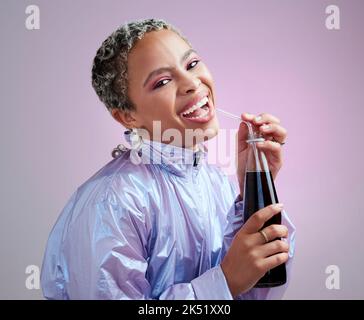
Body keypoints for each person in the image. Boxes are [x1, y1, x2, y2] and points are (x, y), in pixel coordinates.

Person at [41, 18, 295, 300]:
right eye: (162, 82)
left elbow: (255, 294)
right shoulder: (112, 203)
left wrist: (254, 189)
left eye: (191, 64)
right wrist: (223, 282)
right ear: (128, 116)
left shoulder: (215, 183)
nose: (191, 83)